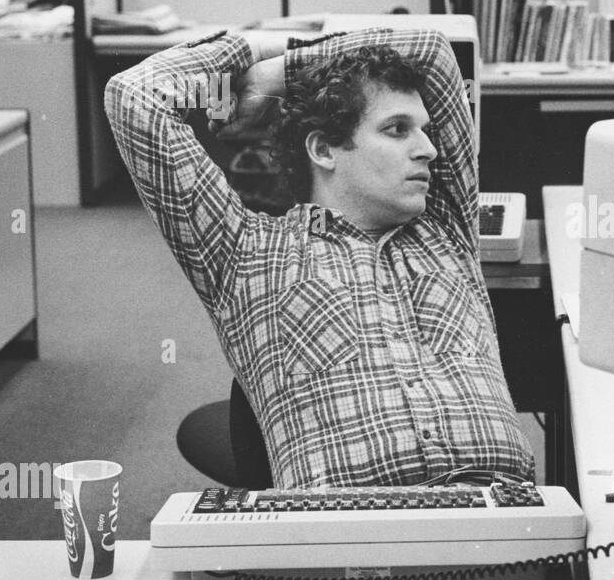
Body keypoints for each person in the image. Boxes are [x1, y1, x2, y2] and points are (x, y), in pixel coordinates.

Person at [104, 28, 533, 488]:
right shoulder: (246, 254)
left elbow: (431, 51)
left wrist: (279, 69)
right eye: (397, 129)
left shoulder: (446, 229)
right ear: (324, 149)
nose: (428, 148)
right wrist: (251, 48)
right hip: (345, 534)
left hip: (502, 519)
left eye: (424, 130)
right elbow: (133, 98)